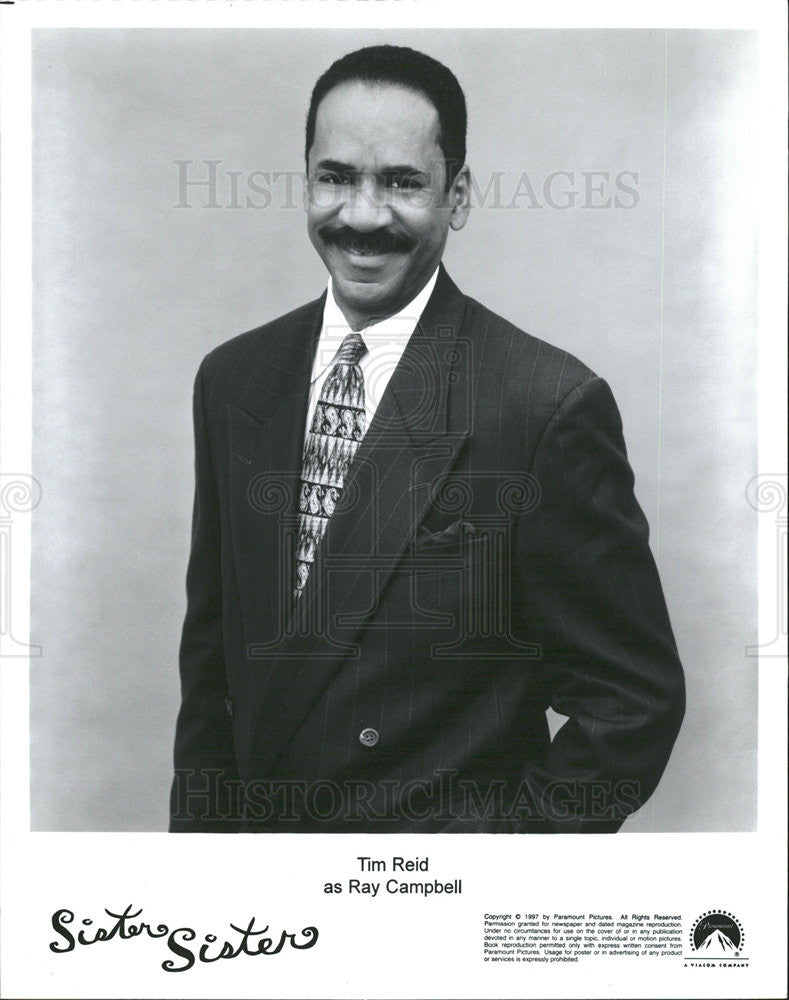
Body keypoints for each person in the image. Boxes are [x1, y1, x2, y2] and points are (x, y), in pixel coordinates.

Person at [170, 44, 685, 833]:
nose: (362, 216)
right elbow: (211, 675)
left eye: (403, 182)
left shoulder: (543, 405)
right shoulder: (235, 379)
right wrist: (200, 881)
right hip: (261, 906)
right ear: (305, 179)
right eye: (336, 176)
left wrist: (486, 881)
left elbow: (632, 701)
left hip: (428, 906)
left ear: (459, 196)